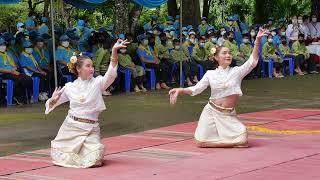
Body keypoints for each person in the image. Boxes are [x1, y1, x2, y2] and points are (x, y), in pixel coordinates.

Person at [168, 28, 268, 148]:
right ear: (216, 57)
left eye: (229, 53)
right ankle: (230, 143)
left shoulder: (237, 72)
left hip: (228, 114)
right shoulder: (210, 74)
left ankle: (230, 142)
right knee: (200, 141)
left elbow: (253, 61)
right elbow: (196, 89)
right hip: (211, 111)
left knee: (243, 135)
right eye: (224, 53)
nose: (228, 55)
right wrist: (180, 90)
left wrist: (257, 40)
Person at [45, 39, 128, 168]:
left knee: (95, 158)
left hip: (91, 129)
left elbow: (111, 74)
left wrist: (114, 51)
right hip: (71, 128)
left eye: (92, 66)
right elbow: (52, 103)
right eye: (88, 66)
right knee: (61, 157)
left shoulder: (98, 83)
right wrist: (53, 100)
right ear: (78, 69)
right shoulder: (69, 87)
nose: (91, 69)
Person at [0, 38, 33, 105]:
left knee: (27, 79)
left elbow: (13, 64)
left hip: (13, 71)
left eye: (3, 45)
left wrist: (14, 69)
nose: (3, 46)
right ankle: (18, 97)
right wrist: (10, 71)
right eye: (1, 45)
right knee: (20, 79)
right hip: (4, 73)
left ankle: (25, 96)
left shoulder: (7, 54)